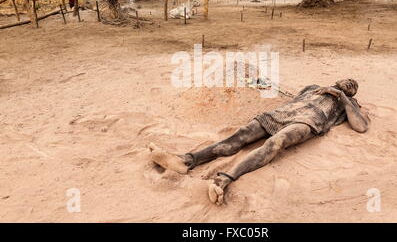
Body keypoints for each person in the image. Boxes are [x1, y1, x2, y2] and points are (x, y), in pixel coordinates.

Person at [149, 79, 370, 205]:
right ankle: (185, 161)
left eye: (353, 85)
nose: (350, 83)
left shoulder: (349, 103)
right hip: (282, 113)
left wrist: (342, 97)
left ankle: (222, 180)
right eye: (347, 81)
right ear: (337, 79)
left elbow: (361, 126)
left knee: (276, 142)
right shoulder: (314, 87)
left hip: (308, 122)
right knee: (240, 135)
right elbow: (294, 98)